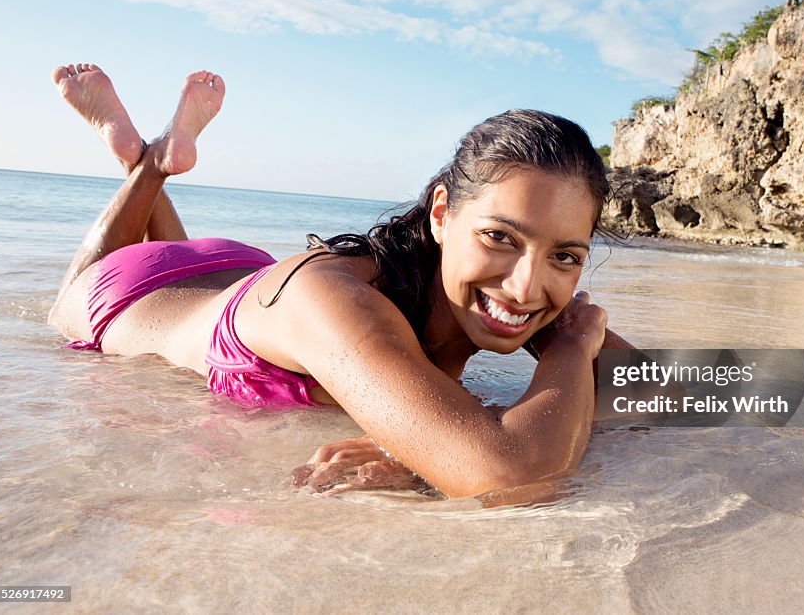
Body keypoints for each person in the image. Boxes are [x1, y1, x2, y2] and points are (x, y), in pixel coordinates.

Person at [48, 63, 633, 501]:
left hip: (238, 268)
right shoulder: (340, 301)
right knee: (68, 299)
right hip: (126, 292)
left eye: (564, 256)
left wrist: (422, 450)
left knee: (175, 252)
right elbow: (507, 475)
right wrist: (573, 350)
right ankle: (149, 163)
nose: (528, 286)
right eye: (500, 237)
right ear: (441, 214)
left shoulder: (494, 296)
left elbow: (710, 389)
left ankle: (148, 156)